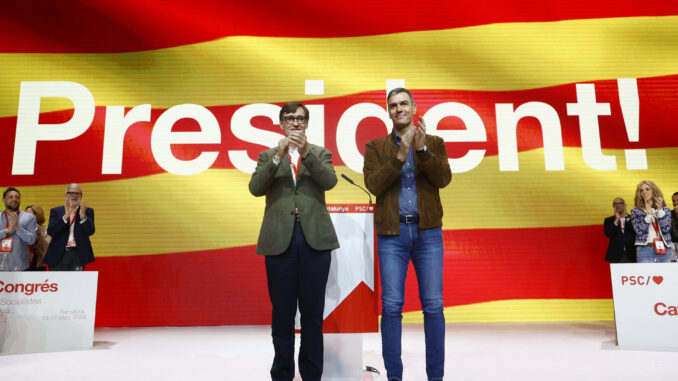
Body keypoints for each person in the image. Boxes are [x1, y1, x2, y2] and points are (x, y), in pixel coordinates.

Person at [363, 88, 451, 381]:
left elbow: (443, 179)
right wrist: (400, 155)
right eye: (392, 105)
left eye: (403, 104)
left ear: (414, 108)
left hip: (428, 234)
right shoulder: (375, 147)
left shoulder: (435, 142)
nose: (398, 109)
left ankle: (435, 377)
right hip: (392, 234)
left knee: (434, 306)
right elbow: (374, 185)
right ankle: (394, 377)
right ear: (387, 111)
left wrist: (422, 150)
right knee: (390, 307)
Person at [249, 102, 339, 381]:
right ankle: (282, 374)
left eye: (300, 118)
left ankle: (312, 375)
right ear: (281, 124)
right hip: (280, 242)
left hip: (314, 242)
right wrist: (278, 156)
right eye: (289, 118)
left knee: (313, 315)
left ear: (307, 123)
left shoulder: (320, 154)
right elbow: (255, 188)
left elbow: (329, 181)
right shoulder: (267, 157)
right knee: (283, 315)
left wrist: (305, 153)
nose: (295, 123)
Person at [44, 183, 95, 270]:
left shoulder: (87, 211)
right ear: (66, 195)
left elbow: (90, 231)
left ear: (81, 196)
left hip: (78, 254)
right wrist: (65, 216)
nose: (75, 196)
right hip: (58, 253)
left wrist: (83, 216)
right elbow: (51, 231)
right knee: (57, 282)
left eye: (78, 193)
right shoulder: (56, 211)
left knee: (76, 282)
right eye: (72, 193)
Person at [630, 181, 673, 263]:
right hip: (644, 250)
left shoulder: (665, 210)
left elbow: (666, 229)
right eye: (641, 190)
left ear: (653, 191)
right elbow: (639, 231)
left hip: (664, 249)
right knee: (646, 275)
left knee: (666, 275)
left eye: (647, 189)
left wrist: (659, 211)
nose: (644, 192)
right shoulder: (636, 211)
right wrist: (649, 215)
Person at [0, 187, 37, 271]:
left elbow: (32, 240)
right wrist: (6, 231)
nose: (14, 199)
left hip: (20, 265)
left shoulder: (29, 218)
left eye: (17, 197)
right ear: (3, 200)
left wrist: (17, 228)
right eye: (11, 197)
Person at [604, 198, 636, 263]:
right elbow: (608, 234)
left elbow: (636, 232)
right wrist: (616, 220)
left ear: (625, 205)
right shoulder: (609, 220)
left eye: (620, 203)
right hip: (616, 255)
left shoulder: (633, 218)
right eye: (615, 204)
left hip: (632, 253)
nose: (617, 205)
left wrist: (628, 220)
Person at [25, 204, 51, 270]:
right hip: (25, 266)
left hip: (41, 266)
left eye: (29, 215)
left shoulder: (47, 231)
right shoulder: (22, 231)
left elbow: (47, 250)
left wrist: (39, 234)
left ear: (37, 215)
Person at [671, 192, 678, 262]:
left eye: (677, 200)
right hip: (673, 248)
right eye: (673, 201)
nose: (675, 203)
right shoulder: (669, 214)